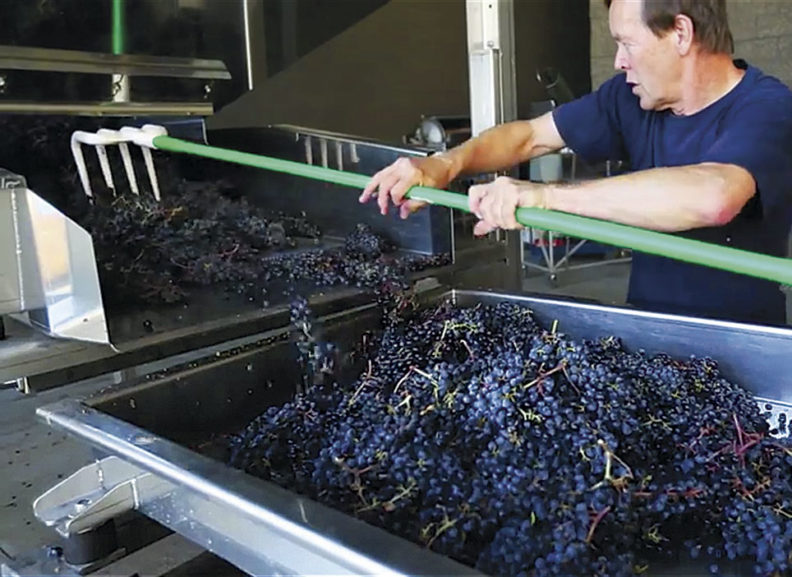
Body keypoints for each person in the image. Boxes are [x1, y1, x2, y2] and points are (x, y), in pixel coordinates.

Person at [359, 0, 792, 326]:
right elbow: (528, 136)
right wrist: (445, 164)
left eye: (627, 43)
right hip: (648, 330)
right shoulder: (629, 97)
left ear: (681, 33)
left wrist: (544, 197)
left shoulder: (768, 107)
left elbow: (715, 197)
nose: (619, 61)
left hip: (743, 343)